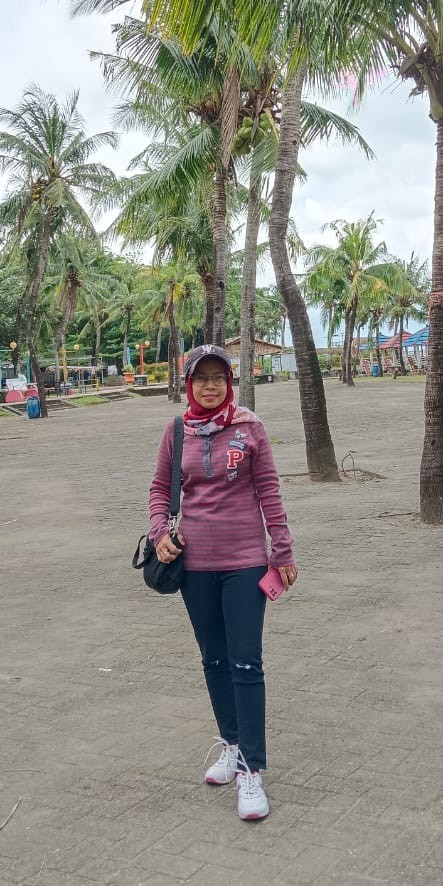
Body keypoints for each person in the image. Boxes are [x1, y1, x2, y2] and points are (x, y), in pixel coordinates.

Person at [149, 344, 297, 822]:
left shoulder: (250, 427)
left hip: (245, 563)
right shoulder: (177, 431)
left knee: (246, 662)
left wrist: (282, 549)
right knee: (213, 659)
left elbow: (269, 489)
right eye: (201, 379)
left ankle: (252, 769)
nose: (209, 386)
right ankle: (232, 746)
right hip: (194, 566)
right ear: (188, 384)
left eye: (218, 378)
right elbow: (160, 489)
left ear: (229, 383)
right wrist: (159, 533)